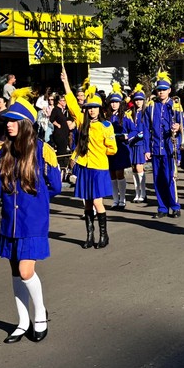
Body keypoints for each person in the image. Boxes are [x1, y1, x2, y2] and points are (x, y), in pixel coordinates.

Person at [0, 87, 61, 344]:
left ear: (26, 124)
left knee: (26, 271)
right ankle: (22, 321)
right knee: (16, 272)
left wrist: (37, 203)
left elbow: (56, 186)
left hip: (32, 221)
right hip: (9, 221)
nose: (9, 124)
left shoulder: (43, 150)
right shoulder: (3, 151)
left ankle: (40, 314)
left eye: (14, 120)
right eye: (7, 120)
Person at [61, 67, 117, 247]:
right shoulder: (82, 122)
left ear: (99, 109)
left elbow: (113, 149)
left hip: (99, 167)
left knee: (98, 202)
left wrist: (100, 151)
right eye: (88, 108)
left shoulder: (106, 126)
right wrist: (66, 83)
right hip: (85, 167)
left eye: (94, 108)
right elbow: (72, 104)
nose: (91, 110)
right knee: (87, 204)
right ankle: (89, 236)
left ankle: (104, 236)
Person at [144, 71, 183, 219]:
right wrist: (146, 149)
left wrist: (178, 127)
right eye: (159, 89)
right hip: (156, 148)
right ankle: (162, 208)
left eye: (164, 89)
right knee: (157, 179)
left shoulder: (176, 106)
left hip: (170, 148)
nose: (161, 92)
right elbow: (146, 129)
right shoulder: (151, 107)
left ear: (169, 90)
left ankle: (175, 206)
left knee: (170, 178)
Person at [106, 82, 131, 210]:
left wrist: (126, 137)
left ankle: (122, 199)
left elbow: (134, 131)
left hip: (121, 148)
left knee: (119, 173)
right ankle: (115, 200)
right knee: (112, 174)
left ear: (120, 103)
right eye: (112, 102)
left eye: (116, 102)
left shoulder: (125, 117)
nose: (114, 104)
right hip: (110, 148)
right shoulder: (107, 117)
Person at [124, 84, 149, 203]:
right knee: (134, 168)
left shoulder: (146, 112)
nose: (138, 102)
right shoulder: (130, 113)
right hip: (132, 143)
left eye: (140, 100)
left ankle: (143, 193)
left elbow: (148, 128)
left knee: (139, 167)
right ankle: (137, 192)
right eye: (136, 100)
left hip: (141, 143)